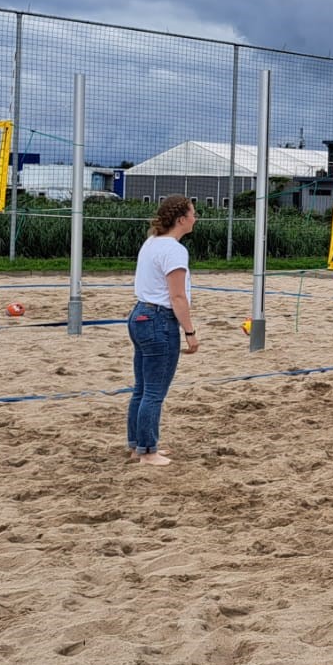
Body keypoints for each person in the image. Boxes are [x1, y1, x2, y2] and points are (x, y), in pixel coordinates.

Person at [127, 195, 200, 467]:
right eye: (193, 213)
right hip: (158, 319)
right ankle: (147, 451)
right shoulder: (174, 250)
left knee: (142, 389)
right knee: (153, 392)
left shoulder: (152, 242)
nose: (196, 218)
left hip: (139, 315)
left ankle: (138, 446)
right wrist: (190, 332)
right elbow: (177, 297)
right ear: (181, 219)